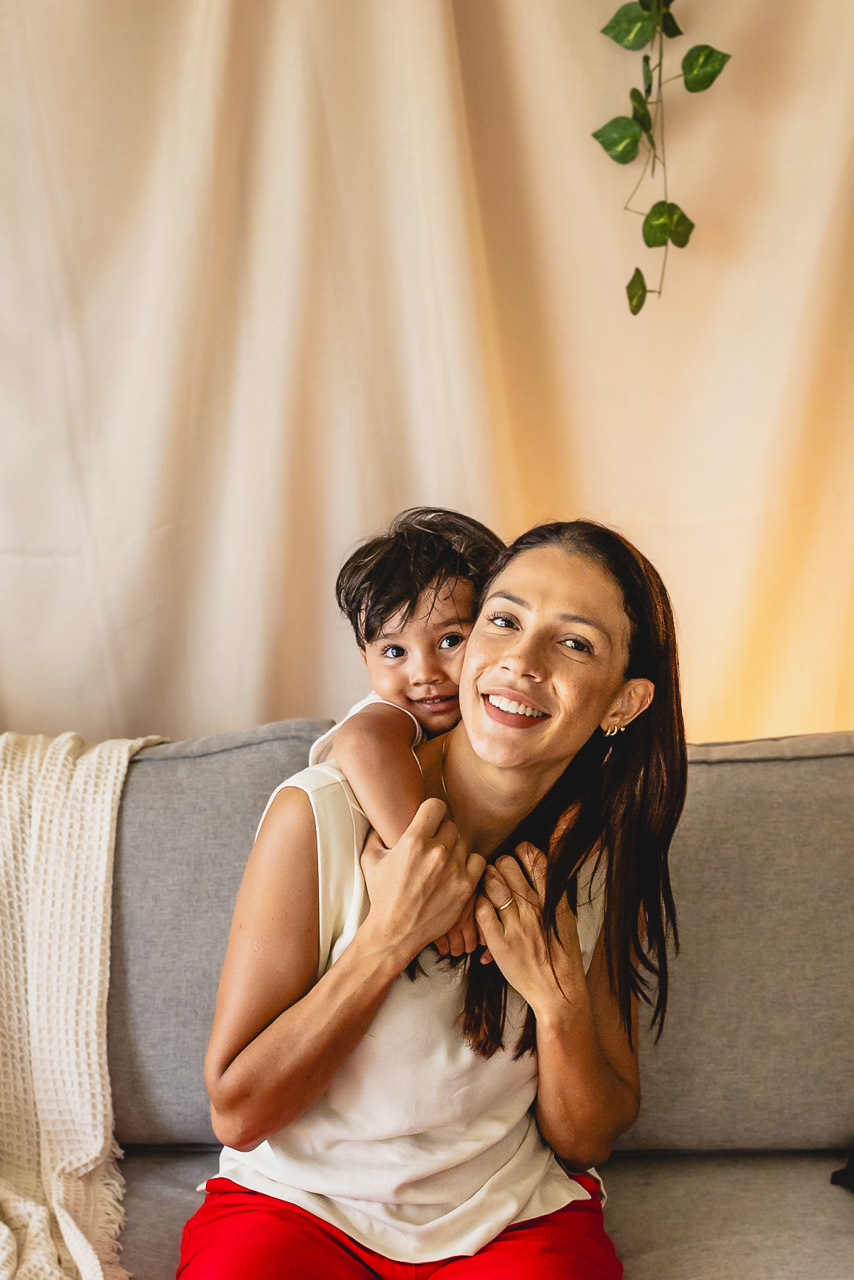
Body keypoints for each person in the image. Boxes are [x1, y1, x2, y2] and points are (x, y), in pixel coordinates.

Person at [178, 520, 687, 1279]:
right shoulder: (318, 816)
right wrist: (388, 939)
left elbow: (587, 1139)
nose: (520, 661)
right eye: (505, 621)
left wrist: (558, 1004)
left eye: (574, 643)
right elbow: (239, 1113)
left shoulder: (592, 858)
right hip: (298, 1207)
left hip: (509, 1221)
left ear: (623, 702)